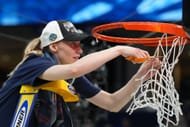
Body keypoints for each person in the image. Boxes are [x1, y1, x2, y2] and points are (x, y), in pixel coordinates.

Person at [0, 20, 161, 127]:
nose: (80, 50)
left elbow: (113, 103)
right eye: (73, 44)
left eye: (80, 45)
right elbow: (75, 69)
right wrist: (119, 49)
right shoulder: (34, 62)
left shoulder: (69, 76)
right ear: (54, 47)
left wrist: (140, 77)